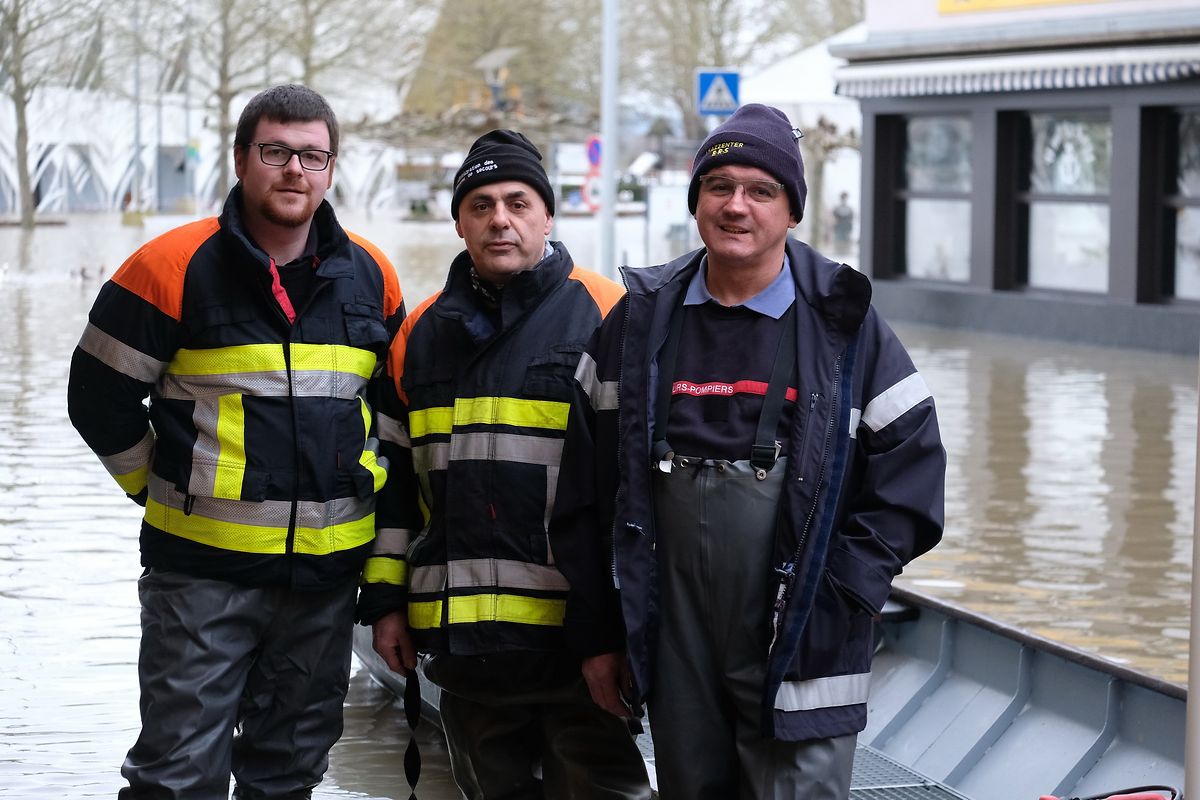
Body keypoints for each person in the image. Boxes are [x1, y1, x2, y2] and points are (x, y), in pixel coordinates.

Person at [559, 103, 946, 798]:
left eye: (761, 190)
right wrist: (599, 636)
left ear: (792, 210)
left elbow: (911, 479)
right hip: (677, 647)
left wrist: (839, 594)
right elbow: (583, 494)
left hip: (806, 640)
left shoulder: (845, 325)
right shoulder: (637, 321)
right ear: (697, 201)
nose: (737, 206)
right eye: (720, 187)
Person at [67, 84, 405, 800]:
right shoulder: (168, 267)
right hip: (200, 577)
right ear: (241, 158)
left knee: (289, 771)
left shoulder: (371, 276)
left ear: (331, 168)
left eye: (311, 156)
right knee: (176, 775)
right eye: (275, 151)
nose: (294, 171)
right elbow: (96, 400)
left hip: (323, 581)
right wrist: (157, 486)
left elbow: (392, 418)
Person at [358, 130, 651, 800]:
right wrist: (385, 605)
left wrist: (621, 628)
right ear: (458, 220)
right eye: (481, 204)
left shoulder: (611, 316)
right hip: (469, 651)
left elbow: (636, 494)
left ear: (548, 215)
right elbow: (397, 491)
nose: (500, 219)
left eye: (518, 202)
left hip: (580, 647)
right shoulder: (420, 333)